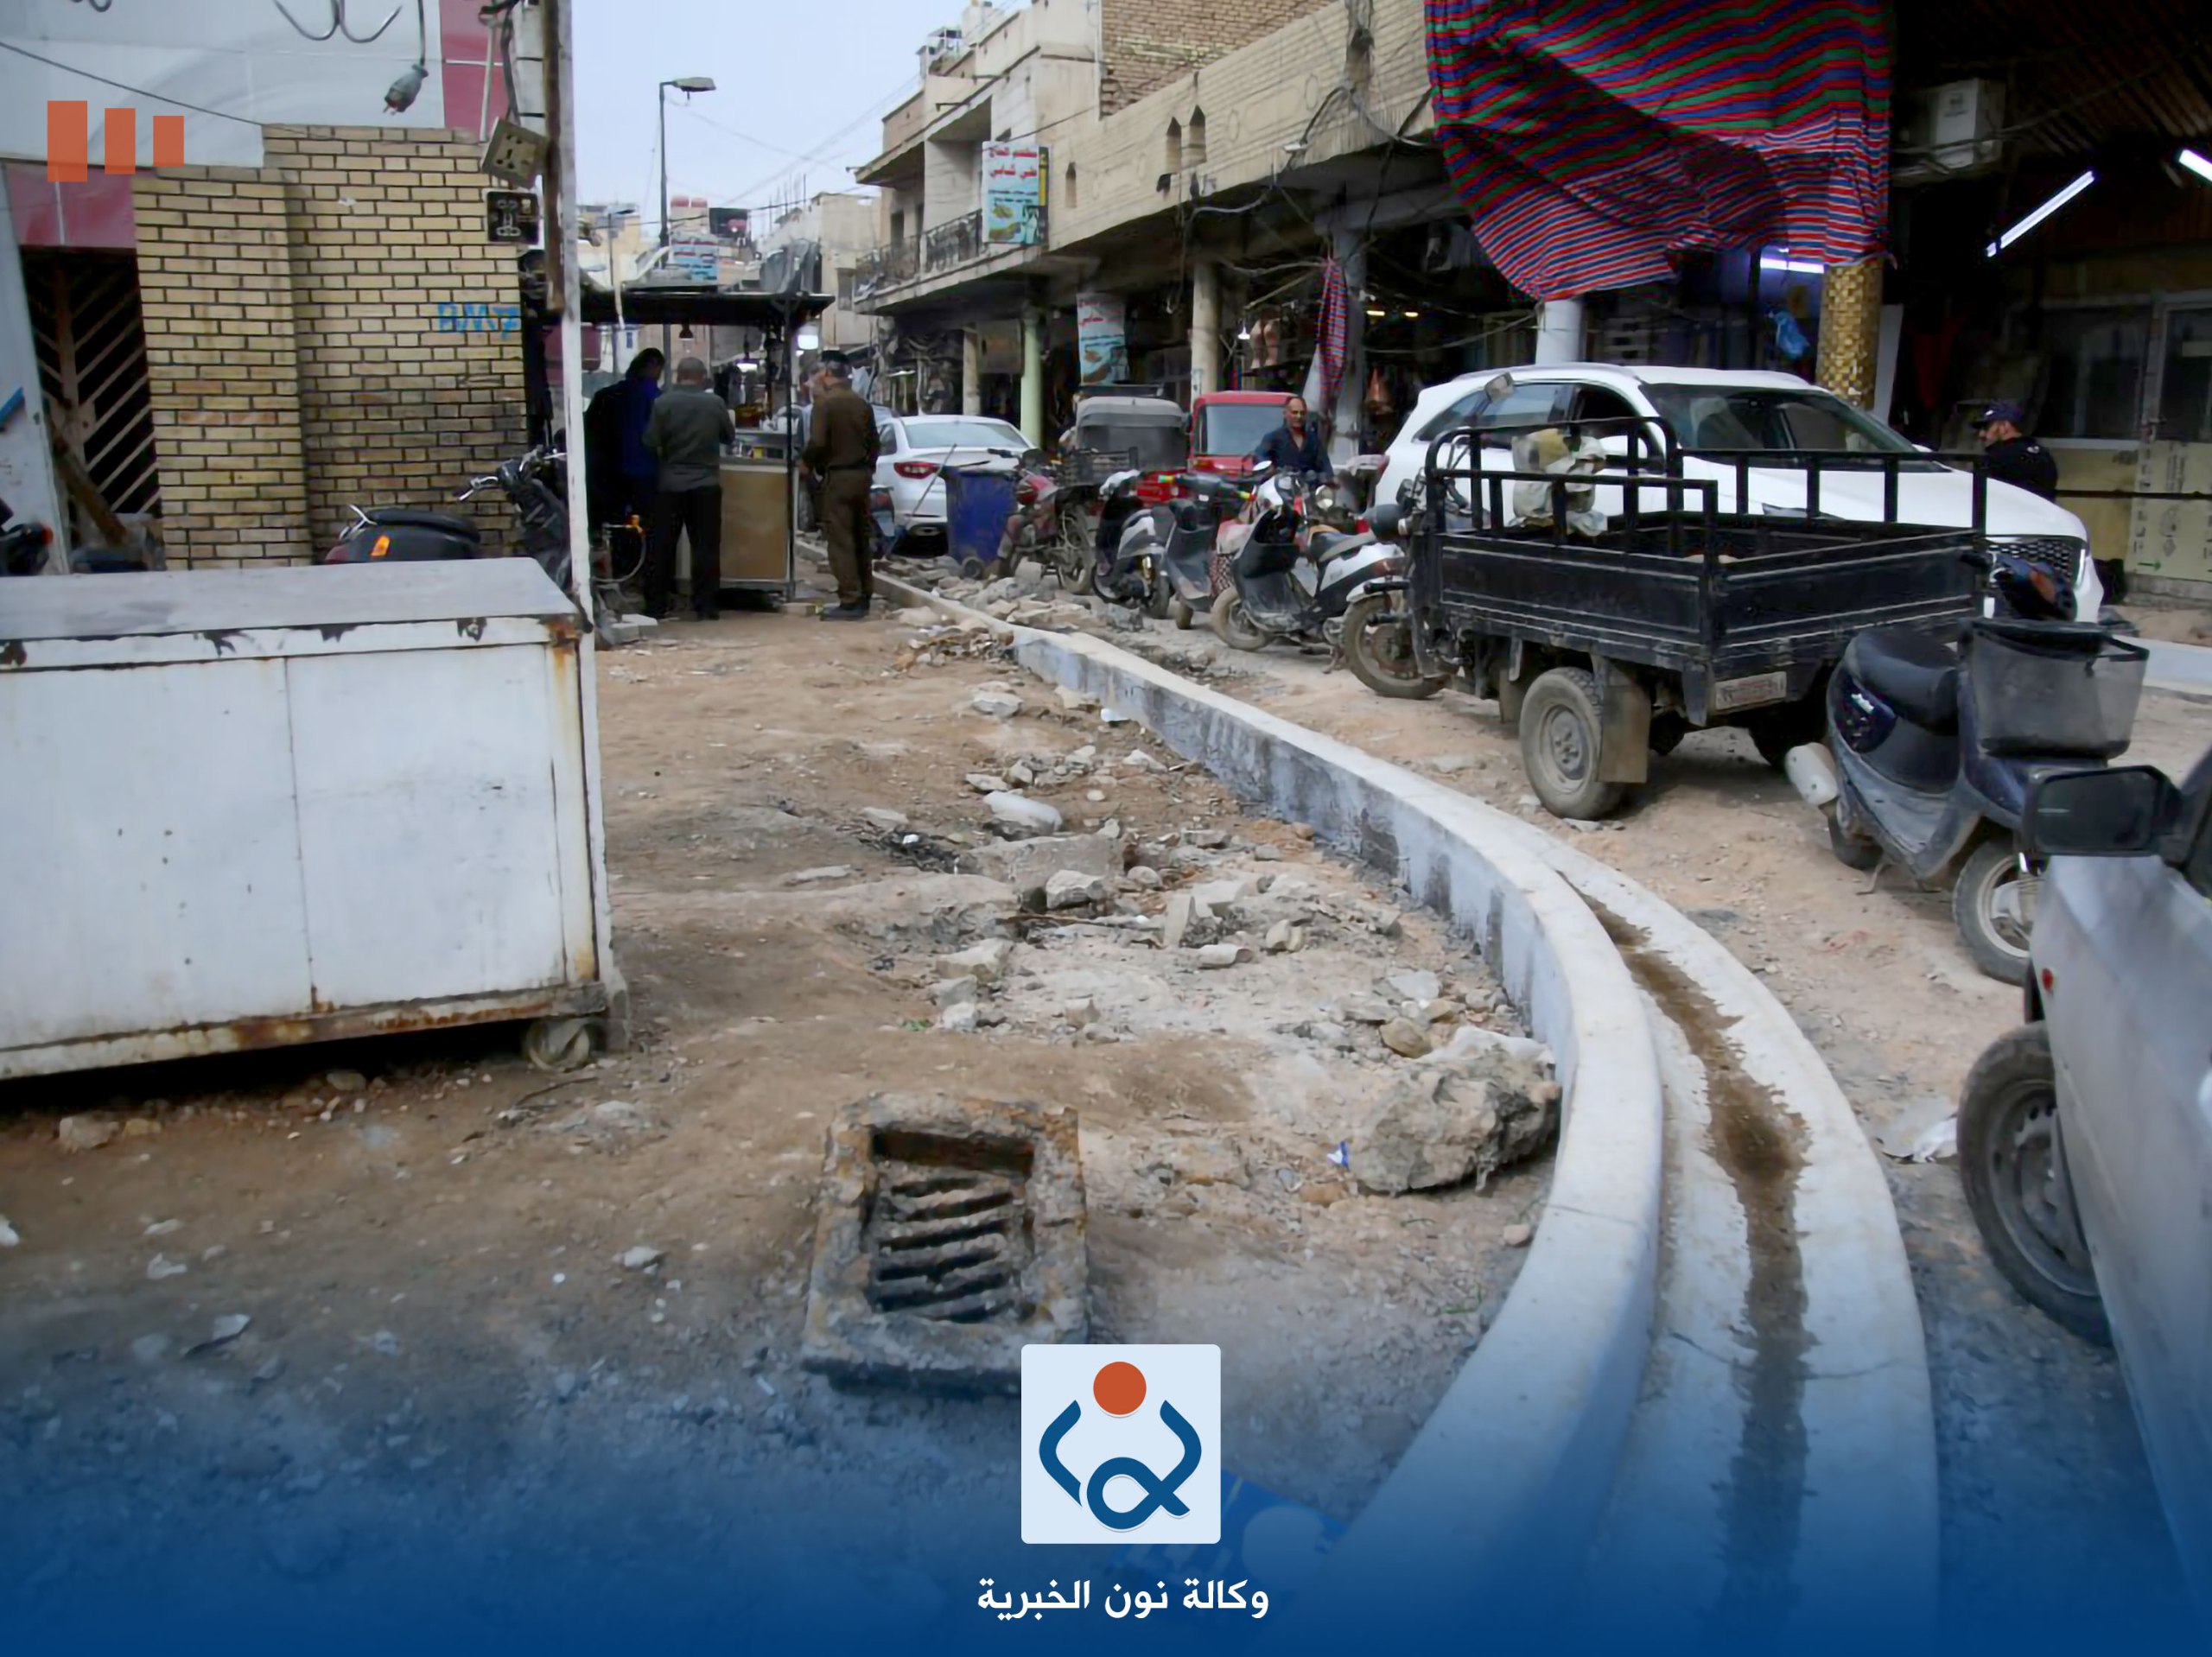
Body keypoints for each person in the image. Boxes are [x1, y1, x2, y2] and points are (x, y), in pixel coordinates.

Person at [641, 356, 735, 620]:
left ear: (677, 375)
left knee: (662, 547)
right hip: (706, 485)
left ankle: (656, 605)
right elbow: (729, 437)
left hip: (670, 485)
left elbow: (650, 441)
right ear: (702, 377)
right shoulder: (715, 403)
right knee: (705, 547)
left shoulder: (663, 403)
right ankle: (706, 606)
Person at [803, 352, 881, 621]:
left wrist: (806, 464)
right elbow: (875, 443)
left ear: (826, 374)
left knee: (840, 540)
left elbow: (817, 443)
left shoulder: (825, 404)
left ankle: (849, 600)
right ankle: (864, 594)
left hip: (838, 477)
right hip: (862, 477)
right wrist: (868, 469)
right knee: (860, 538)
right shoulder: (862, 403)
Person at [1972, 399, 2058, 502]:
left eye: (1986, 427)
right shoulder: (2043, 454)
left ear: (2004, 426)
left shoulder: (1997, 457)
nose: (1981, 434)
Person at [1251, 396, 1327, 475]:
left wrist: (1326, 477)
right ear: (1285, 413)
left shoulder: (1313, 440)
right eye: (1294, 412)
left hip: (1308, 482)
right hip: (1280, 481)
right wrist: (1269, 468)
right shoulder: (1273, 438)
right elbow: (1260, 455)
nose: (1299, 416)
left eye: (1302, 413)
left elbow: (1325, 466)